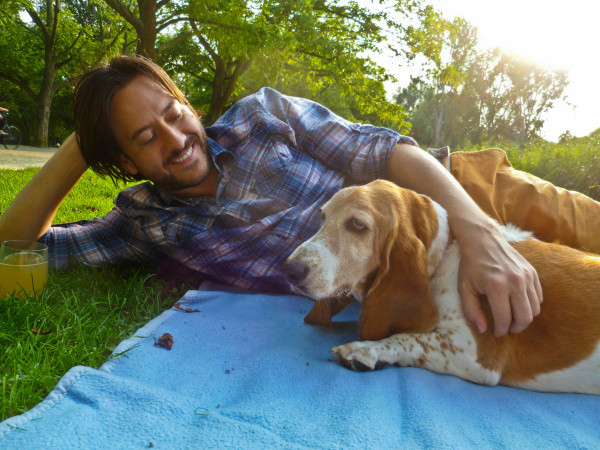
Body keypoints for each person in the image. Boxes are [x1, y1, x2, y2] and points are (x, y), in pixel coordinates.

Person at [0, 55, 598, 338]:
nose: (177, 139)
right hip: (417, 274)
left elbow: (388, 152)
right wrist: (84, 141)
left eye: (173, 112)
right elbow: (16, 243)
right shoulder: (145, 223)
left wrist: (479, 230)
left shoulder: (264, 114)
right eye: (145, 137)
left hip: (460, 193)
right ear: (126, 161)